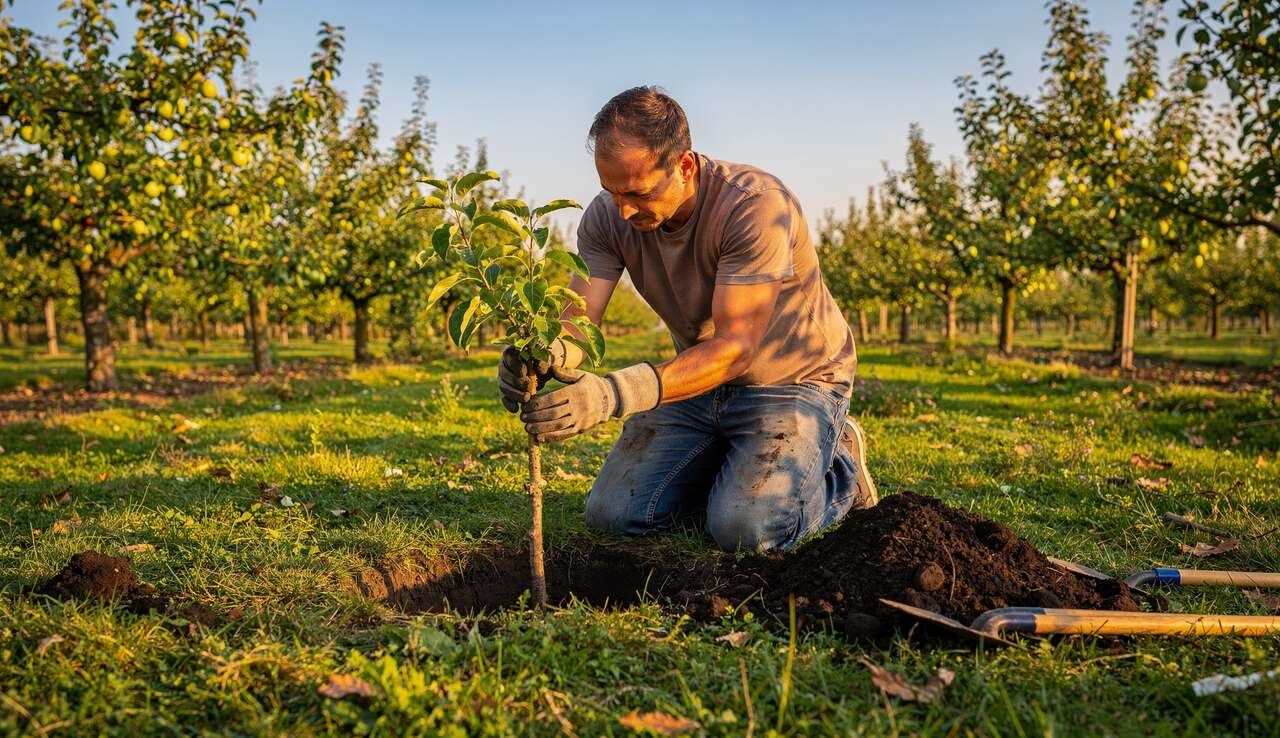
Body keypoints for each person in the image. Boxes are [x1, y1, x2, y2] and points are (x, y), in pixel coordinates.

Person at [497, 86, 876, 552]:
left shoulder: (753, 206)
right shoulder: (608, 217)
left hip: (795, 382)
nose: (623, 210)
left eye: (638, 192)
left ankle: (840, 470)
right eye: (610, 191)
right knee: (613, 515)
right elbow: (580, 317)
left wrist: (613, 393)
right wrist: (545, 353)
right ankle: (736, 468)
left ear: (685, 165)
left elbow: (736, 348)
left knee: (750, 531)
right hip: (698, 382)